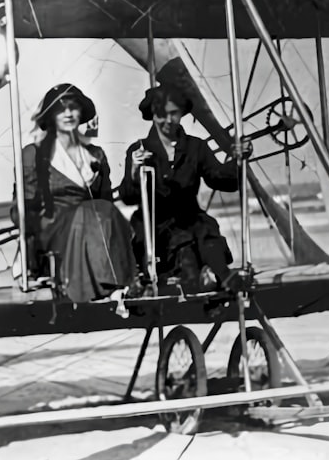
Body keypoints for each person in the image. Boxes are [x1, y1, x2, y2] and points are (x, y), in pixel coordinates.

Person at [119, 84, 251, 292]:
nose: (168, 121)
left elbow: (221, 180)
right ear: (152, 114)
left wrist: (237, 160)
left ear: (182, 113)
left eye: (174, 114)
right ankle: (205, 287)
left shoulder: (195, 147)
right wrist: (135, 172)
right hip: (155, 226)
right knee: (184, 244)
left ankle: (225, 279)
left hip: (190, 218)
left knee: (207, 236)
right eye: (161, 115)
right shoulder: (139, 150)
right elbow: (128, 197)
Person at [17, 83, 137, 304]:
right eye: (61, 109)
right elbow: (22, 209)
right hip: (52, 226)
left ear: (81, 113)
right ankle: (108, 286)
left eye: (73, 107)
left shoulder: (95, 155)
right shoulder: (33, 154)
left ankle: (124, 282)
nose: (68, 113)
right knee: (90, 212)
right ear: (51, 116)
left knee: (103, 211)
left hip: (90, 222)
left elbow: (106, 201)